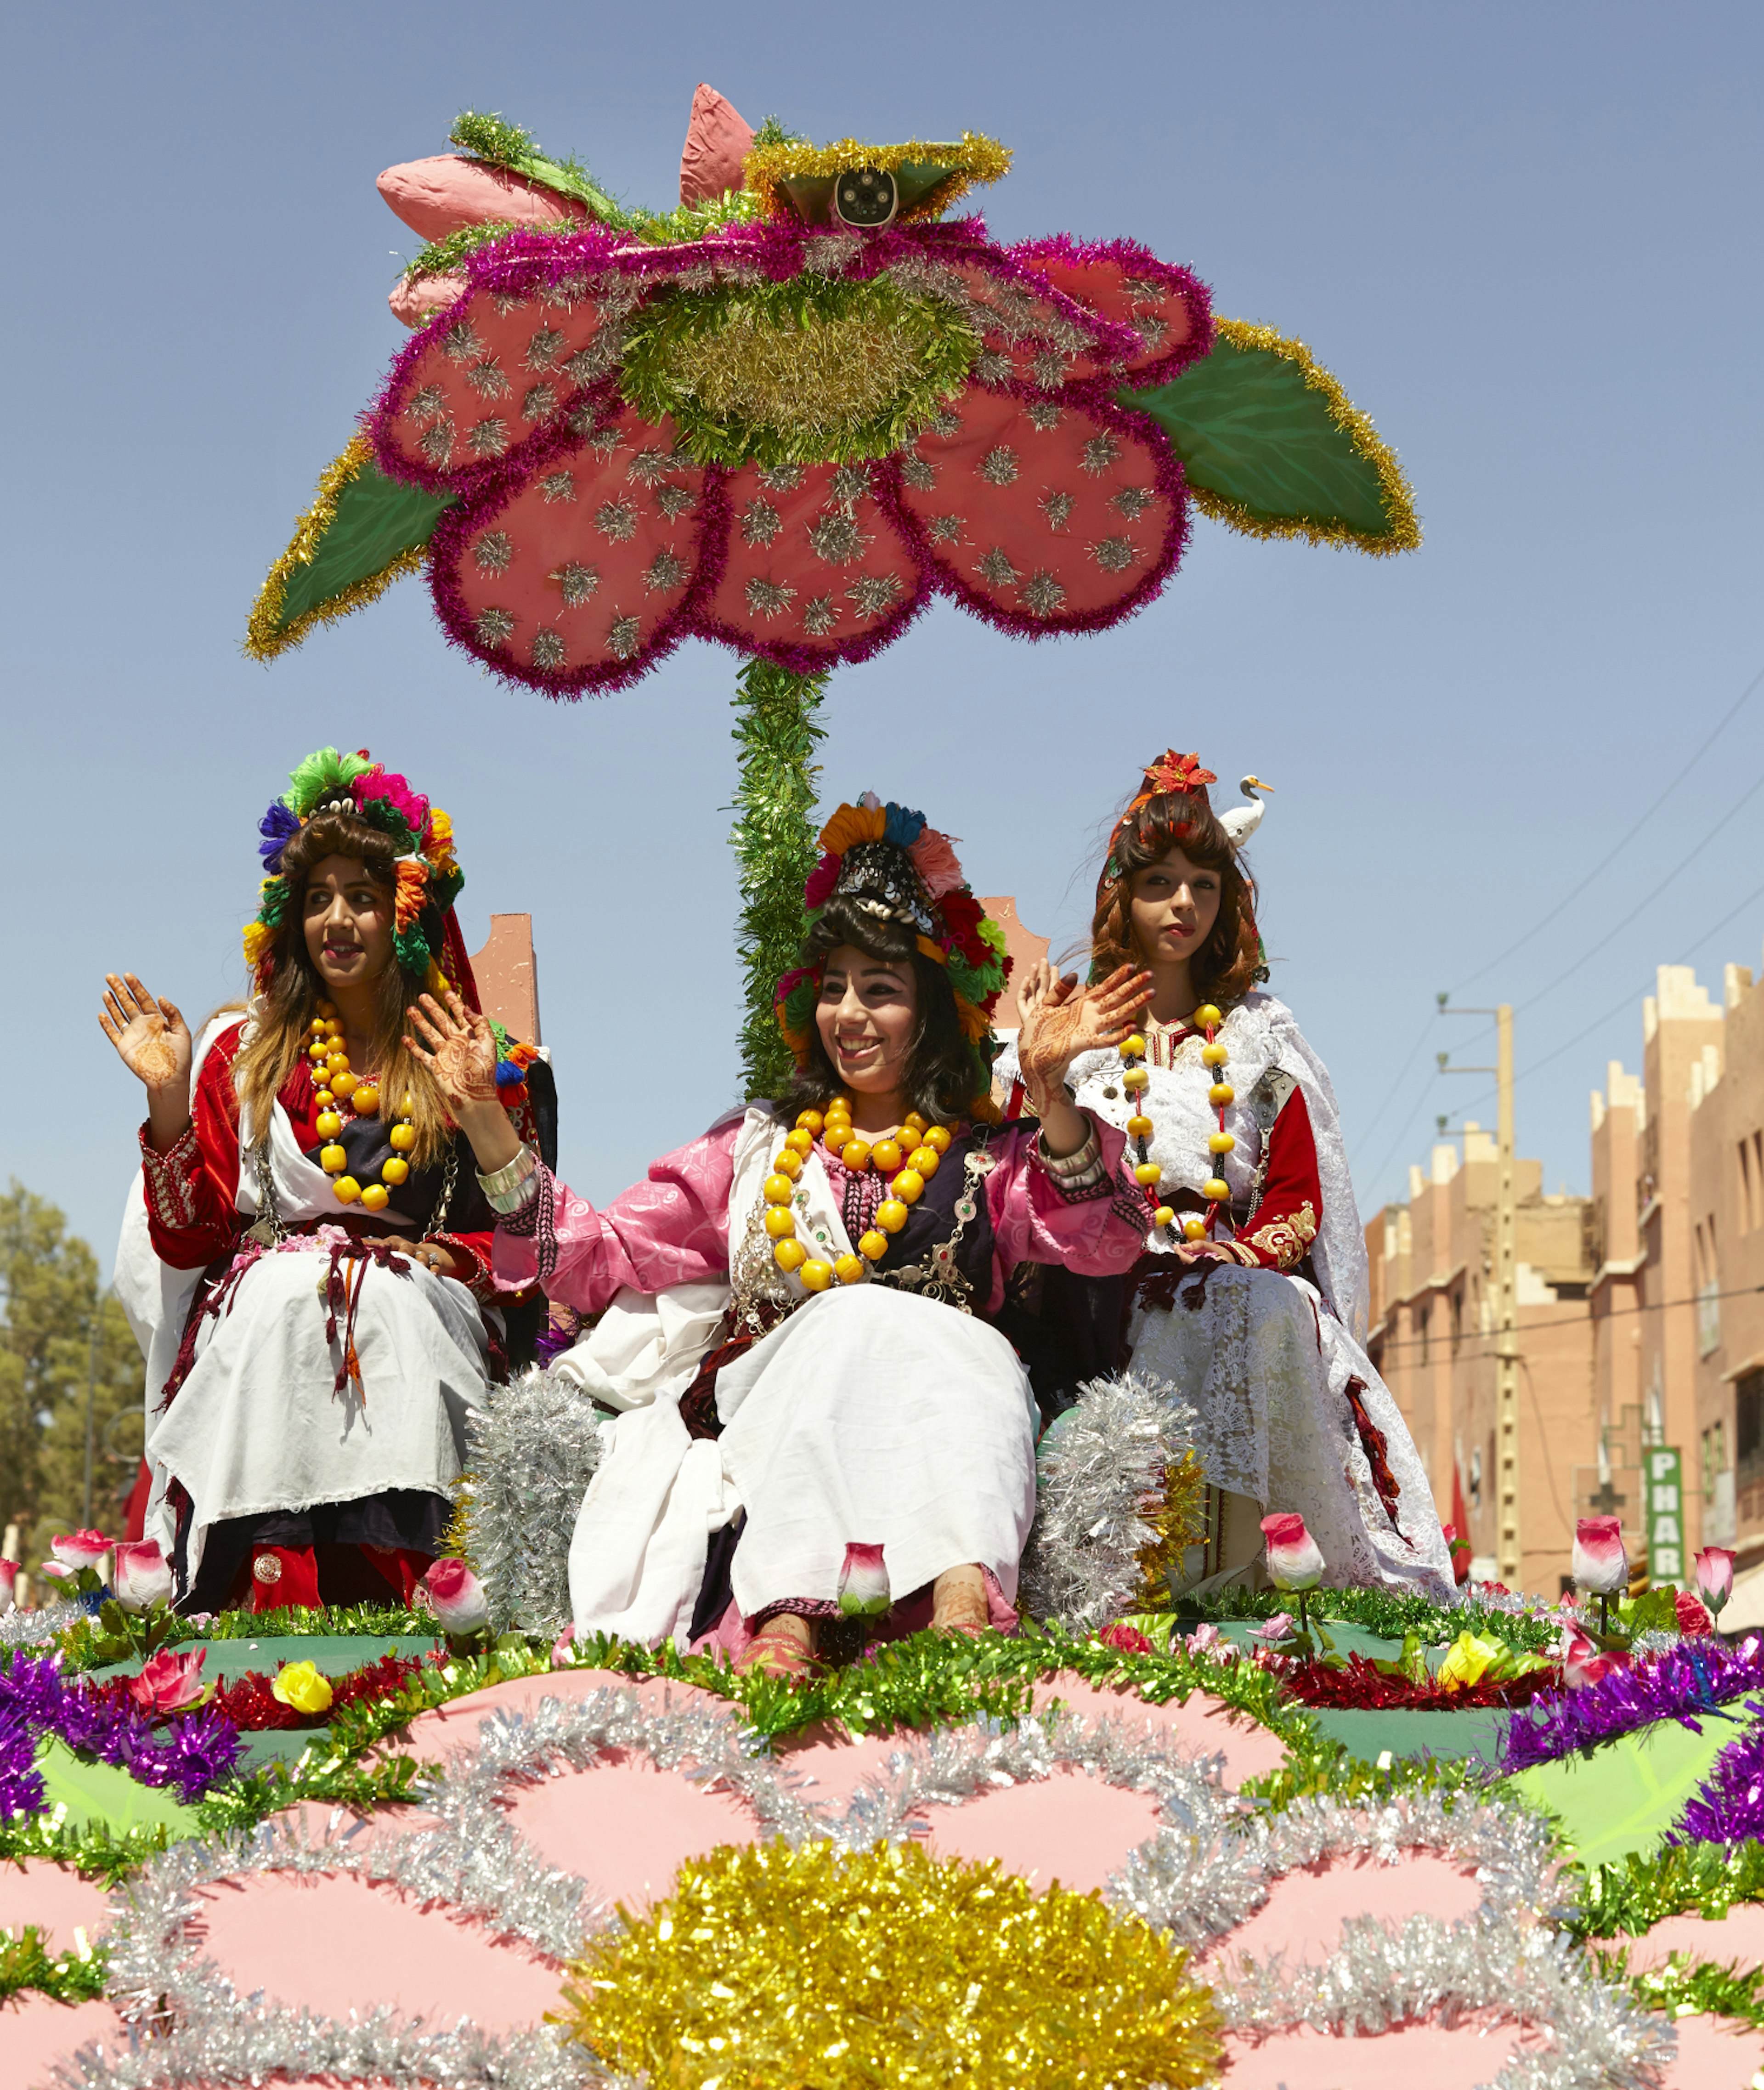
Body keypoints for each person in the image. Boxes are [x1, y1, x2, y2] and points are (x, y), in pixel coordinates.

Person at [410, 796, 1153, 1674]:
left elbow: (1106, 1240)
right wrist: (489, 1127)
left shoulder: (990, 1158)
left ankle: (961, 1602)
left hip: (946, 1417)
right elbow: (594, 1261)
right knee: (841, 1324)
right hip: (781, 1414)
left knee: (954, 1346)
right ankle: (786, 1617)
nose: (851, 1014)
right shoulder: (754, 1150)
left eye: (881, 990)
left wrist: (1053, 1094)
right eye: (835, 987)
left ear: (934, 1012)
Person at [105, 748, 541, 1614]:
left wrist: (422, 1257)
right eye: (317, 900)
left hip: (423, 1303)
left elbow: (525, 1243)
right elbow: (189, 1239)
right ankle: (255, 1597)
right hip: (264, 1306)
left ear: (404, 914)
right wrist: (166, 1100)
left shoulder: (468, 1054)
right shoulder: (243, 1054)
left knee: (386, 1306)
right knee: (286, 1297)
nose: (337, 921)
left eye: (362, 899)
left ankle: (418, 1597)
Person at [1012, 751, 1455, 1603]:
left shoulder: (1261, 1039)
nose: (1184, 903)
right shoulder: (1073, 1024)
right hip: (1099, 1290)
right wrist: (1042, 1074)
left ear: (1228, 901)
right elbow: (1021, 1183)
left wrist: (1232, 1254)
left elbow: (1297, 1197)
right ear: (1122, 896)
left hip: (1243, 1280)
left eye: (1204, 884)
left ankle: (1243, 1584)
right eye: (1162, 882)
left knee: (1243, 1305)